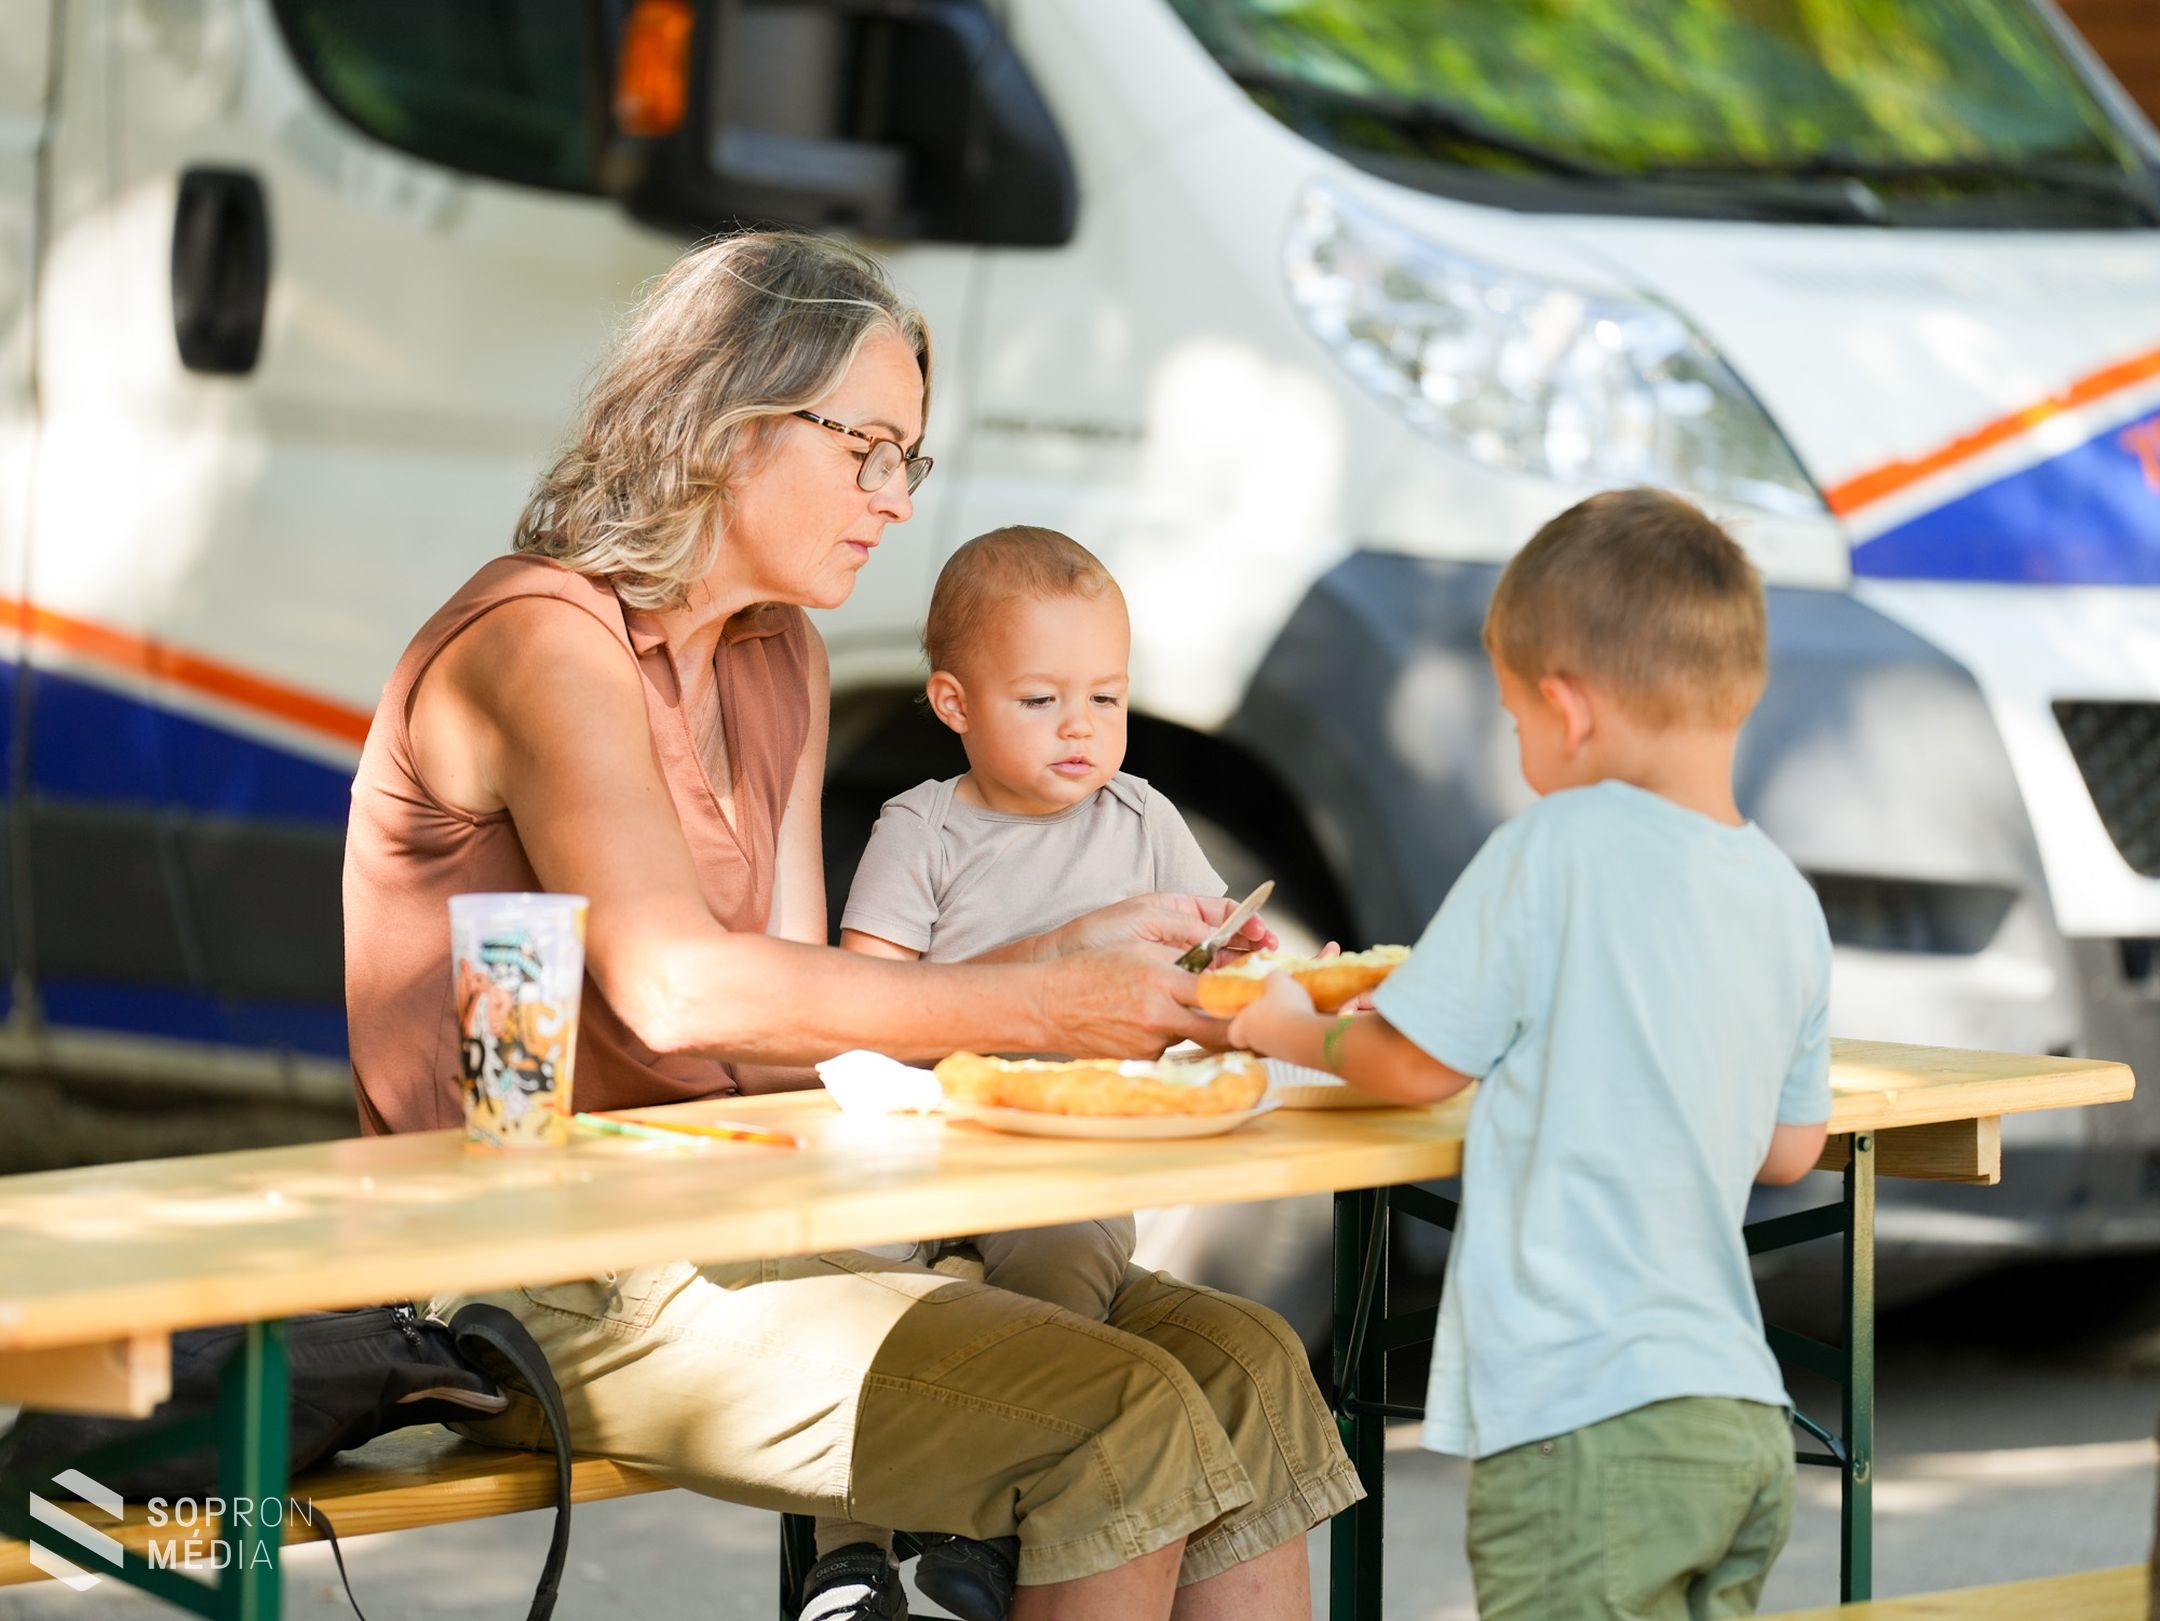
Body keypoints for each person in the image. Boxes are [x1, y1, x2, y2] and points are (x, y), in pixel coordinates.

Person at [341, 230, 1362, 1621]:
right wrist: (1048, 1003)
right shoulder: (543, 642)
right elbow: (679, 992)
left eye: (910, 460)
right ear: (725, 416)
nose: (894, 499)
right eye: (866, 448)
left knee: (1250, 1368)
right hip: (558, 1268)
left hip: (763, 1219)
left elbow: (798, 1025)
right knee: (1113, 1416)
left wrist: (1068, 964)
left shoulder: (778, 651)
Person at [1229, 488, 1833, 1620]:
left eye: (1513, 719)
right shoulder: (1784, 897)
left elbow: (1414, 1062)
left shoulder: (1557, 843)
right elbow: (1791, 1148)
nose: (1519, 747)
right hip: (1741, 1418)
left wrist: (1268, 1018)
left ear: (1568, 707)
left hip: (1584, 1421)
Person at [818, 526, 1227, 1617]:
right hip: (921, 1143)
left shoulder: (1146, 820)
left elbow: (1221, 961)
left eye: (1105, 696)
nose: (1080, 728)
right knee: (845, 1285)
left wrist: (1272, 987)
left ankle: (984, 1528)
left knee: (1070, 1260)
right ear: (955, 703)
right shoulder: (925, 827)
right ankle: (845, 1553)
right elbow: (866, 1008)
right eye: (1040, 701)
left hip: (1059, 1152)